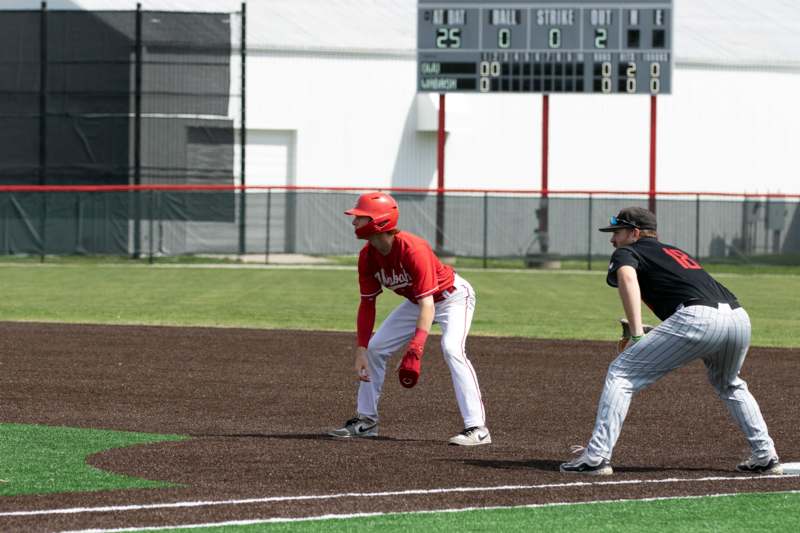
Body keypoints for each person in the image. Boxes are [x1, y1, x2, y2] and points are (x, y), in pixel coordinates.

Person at [560, 206, 782, 475]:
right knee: (729, 383)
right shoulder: (674, 252)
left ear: (634, 232)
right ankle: (765, 455)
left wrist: (638, 332)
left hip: (697, 318)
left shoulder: (628, 251)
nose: (612, 240)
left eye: (617, 232)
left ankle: (595, 457)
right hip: (738, 317)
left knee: (621, 373)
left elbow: (627, 277)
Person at [328, 192, 490, 446]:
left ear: (379, 221)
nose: (354, 222)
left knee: (452, 350)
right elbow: (368, 303)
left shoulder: (413, 249)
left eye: (360, 217)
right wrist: (361, 348)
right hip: (418, 301)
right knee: (376, 348)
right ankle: (366, 421)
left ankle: (477, 428)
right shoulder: (367, 256)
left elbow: (429, 303)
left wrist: (416, 348)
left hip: (451, 298)